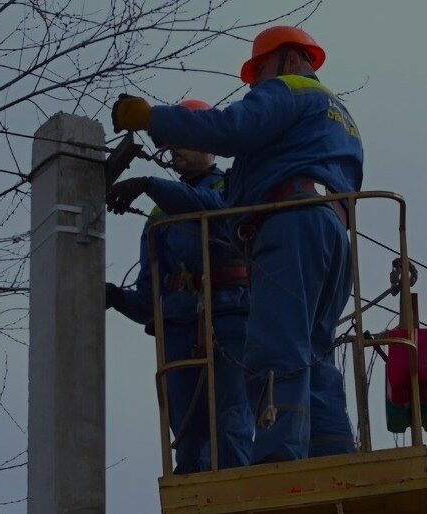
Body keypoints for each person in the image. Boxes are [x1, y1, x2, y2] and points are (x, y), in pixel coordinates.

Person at [110, 26, 363, 463]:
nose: (255, 84)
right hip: (331, 230)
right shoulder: (337, 119)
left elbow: (230, 128)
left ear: (289, 59)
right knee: (314, 352)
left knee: (278, 345)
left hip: (291, 224)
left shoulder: (289, 90)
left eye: (259, 70)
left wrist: (151, 117)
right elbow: (225, 210)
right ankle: (332, 456)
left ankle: (278, 461)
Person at [104, 99, 253, 473]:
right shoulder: (158, 216)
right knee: (186, 434)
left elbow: (213, 212)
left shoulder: (234, 186)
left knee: (230, 421)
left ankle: (239, 495)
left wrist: (150, 185)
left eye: (183, 142)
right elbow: (149, 299)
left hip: (230, 317)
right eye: (171, 147)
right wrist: (116, 298)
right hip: (179, 329)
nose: (176, 153)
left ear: (208, 144)